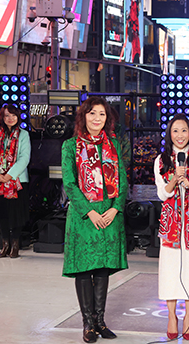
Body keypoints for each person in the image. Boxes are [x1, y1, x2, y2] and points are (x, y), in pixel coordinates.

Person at [61, 97, 128, 343]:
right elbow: (69, 183)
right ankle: (87, 323)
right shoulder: (70, 146)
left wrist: (115, 209)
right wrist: (89, 212)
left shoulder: (114, 145)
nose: (97, 118)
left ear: (107, 119)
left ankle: (100, 321)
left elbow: (122, 180)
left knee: (102, 268)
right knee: (84, 268)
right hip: (84, 217)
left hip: (109, 214)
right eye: (92, 114)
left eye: (101, 114)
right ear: (83, 117)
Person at [154, 114, 189, 340]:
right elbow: (161, 193)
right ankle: (171, 315)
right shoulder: (161, 160)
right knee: (169, 270)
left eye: (184, 130)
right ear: (169, 134)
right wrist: (174, 180)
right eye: (175, 131)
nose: (180, 135)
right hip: (170, 223)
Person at [0, 105, 31, 259]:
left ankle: (16, 246)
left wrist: (10, 175)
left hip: (17, 180)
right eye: (6, 116)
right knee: (2, 214)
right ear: (2, 118)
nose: (10, 118)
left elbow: (24, 158)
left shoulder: (23, 135)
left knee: (16, 214)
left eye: (13, 115)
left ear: (18, 117)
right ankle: (5, 245)